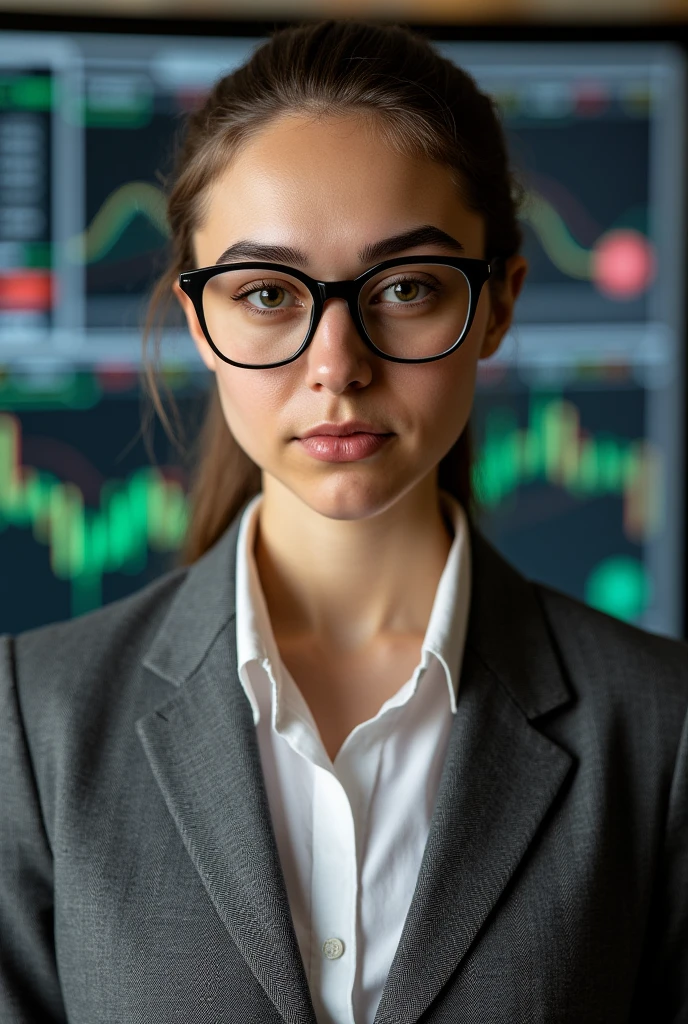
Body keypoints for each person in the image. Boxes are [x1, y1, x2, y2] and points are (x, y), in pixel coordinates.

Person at [0, 18, 686, 1024]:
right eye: (267, 293)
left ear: (497, 303)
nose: (337, 363)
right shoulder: (33, 725)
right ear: (198, 320)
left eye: (405, 287)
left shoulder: (660, 728)